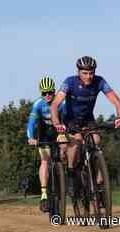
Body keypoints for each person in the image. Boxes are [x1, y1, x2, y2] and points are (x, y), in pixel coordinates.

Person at [50, 56, 120, 197]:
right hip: (70, 119)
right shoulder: (69, 82)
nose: (88, 76)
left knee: (96, 140)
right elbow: (54, 105)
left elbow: (116, 100)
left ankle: (96, 176)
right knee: (76, 142)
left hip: (87, 119)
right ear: (78, 72)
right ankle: (72, 174)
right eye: (85, 73)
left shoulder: (100, 81)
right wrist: (57, 124)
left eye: (91, 73)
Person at [26, 76, 67, 212]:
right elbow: (31, 122)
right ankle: (44, 194)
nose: (48, 95)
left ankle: (65, 177)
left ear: (54, 91)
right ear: (41, 93)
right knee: (44, 160)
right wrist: (30, 137)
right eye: (44, 93)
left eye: (50, 92)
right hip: (43, 133)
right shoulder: (38, 104)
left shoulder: (61, 102)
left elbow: (67, 118)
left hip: (58, 130)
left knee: (64, 149)